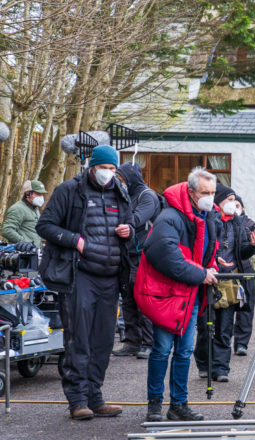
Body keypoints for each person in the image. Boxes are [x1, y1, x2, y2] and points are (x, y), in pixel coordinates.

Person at [36, 145, 133, 420]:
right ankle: (77, 400)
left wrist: (130, 231)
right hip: (80, 276)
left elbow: (129, 229)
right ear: (93, 167)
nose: (109, 174)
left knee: (103, 341)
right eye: (105, 168)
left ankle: (95, 396)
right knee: (79, 339)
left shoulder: (120, 193)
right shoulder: (70, 190)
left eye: (114, 170)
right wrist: (74, 240)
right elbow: (45, 226)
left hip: (111, 277)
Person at [135, 167, 219, 422]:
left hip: (188, 294)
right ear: (192, 192)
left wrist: (212, 263)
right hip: (168, 295)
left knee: (184, 351)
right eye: (205, 192)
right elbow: (166, 255)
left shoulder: (205, 214)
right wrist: (201, 274)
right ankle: (155, 404)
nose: (210, 197)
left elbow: (198, 252)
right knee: (161, 349)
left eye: (213, 192)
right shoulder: (170, 217)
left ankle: (178, 404)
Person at [194, 184, 255, 381]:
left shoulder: (238, 223)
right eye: (229, 200)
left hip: (230, 281)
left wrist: (252, 247)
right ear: (218, 203)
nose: (233, 204)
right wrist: (212, 261)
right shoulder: (208, 221)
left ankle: (221, 369)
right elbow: (200, 247)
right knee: (205, 327)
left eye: (234, 200)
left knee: (224, 328)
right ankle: (204, 363)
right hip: (209, 280)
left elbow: (241, 252)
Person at [112, 162, 160, 359]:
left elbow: (137, 219)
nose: (119, 182)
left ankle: (149, 343)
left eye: (121, 178)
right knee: (128, 296)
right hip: (126, 253)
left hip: (143, 254)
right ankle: (132, 342)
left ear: (130, 178)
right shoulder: (126, 195)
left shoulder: (147, 196)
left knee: (143, 298)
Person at [231, 196, 255, 356]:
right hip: (228, 271)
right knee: (226, 307)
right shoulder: (223, 222)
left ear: (242, 208)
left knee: (246, 307)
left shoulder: (249, 223)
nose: (235, 207)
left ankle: (241, 343)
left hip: (245, 269)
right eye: (232, 204)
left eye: (237, 205)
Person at [2, 179, 47, 248]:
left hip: (33, 253)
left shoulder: (35, 209)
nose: (41, 196)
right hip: (22, 254)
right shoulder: (18, 208)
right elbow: (7, 230)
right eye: (38, 193)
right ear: (28, 193)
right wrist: (25, 243)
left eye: (42, 194)